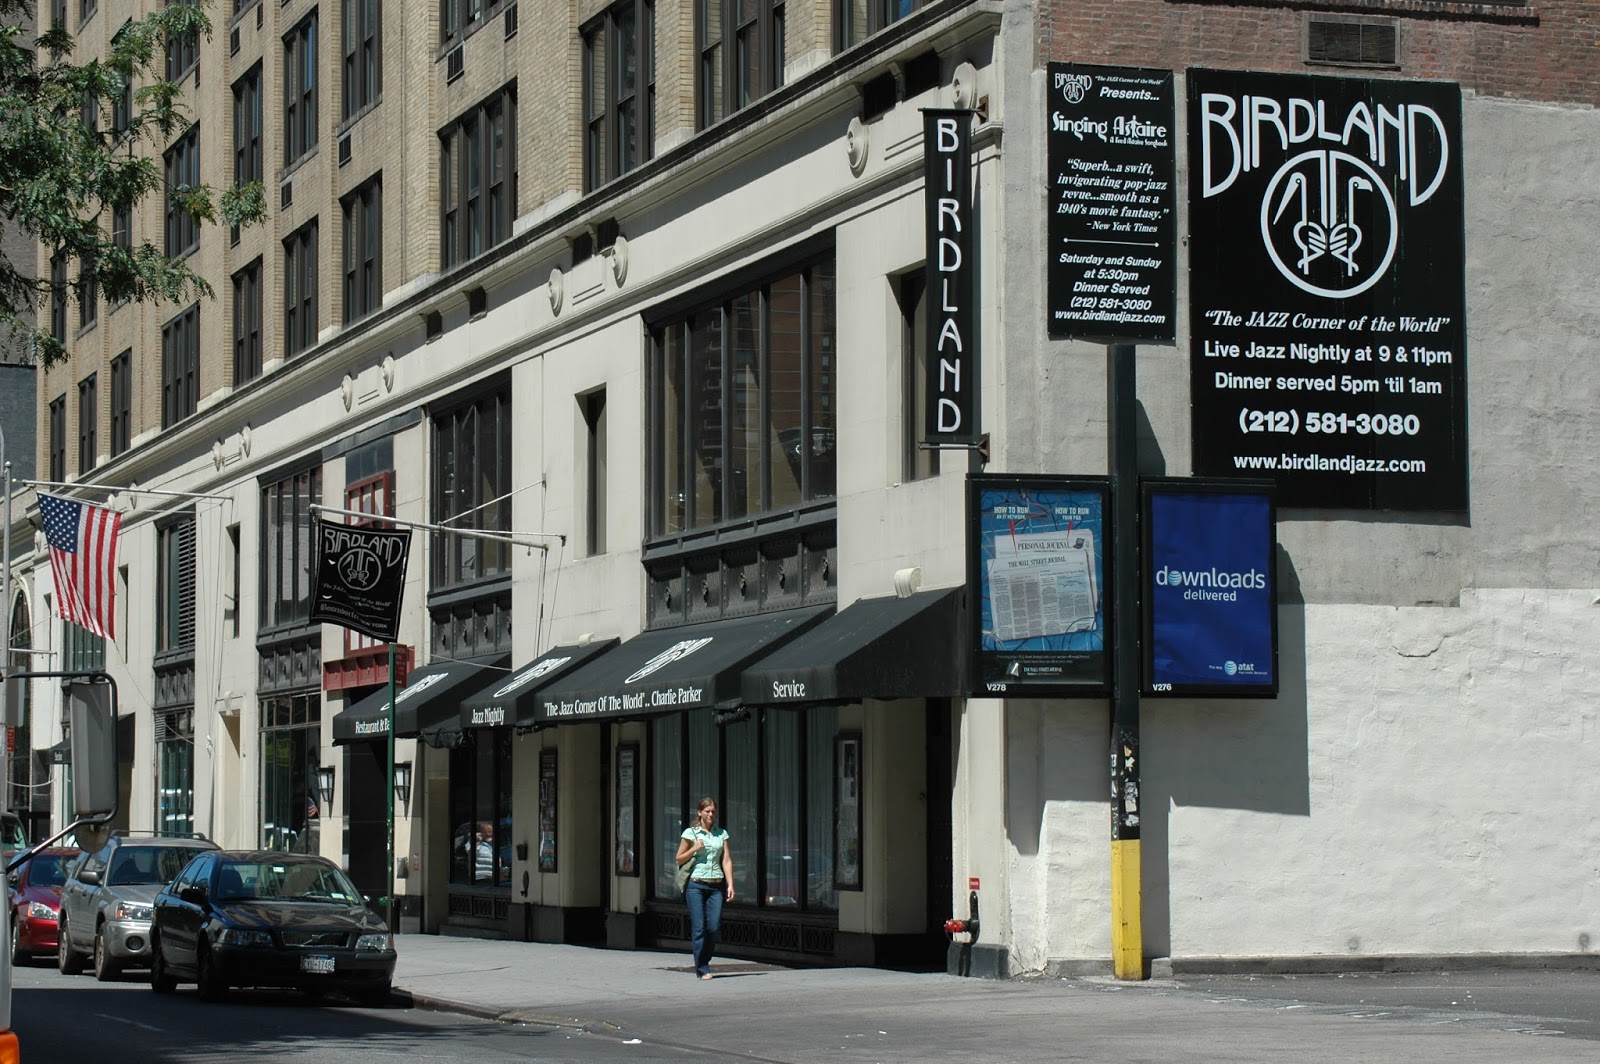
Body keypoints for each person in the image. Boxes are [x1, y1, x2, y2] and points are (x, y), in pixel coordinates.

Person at [675, 796, 734, 980]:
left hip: (716, 885)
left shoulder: (721, 834)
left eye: (713, 812)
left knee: (714, 926)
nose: (710, 814)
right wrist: (694, 848)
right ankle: (702, 968)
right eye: (707, 811)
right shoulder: (690, 833)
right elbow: (679, 858)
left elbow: (726, 859)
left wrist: (730, 883)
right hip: (696, 884)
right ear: (699, 812)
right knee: (699, 927)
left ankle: (704, 959)